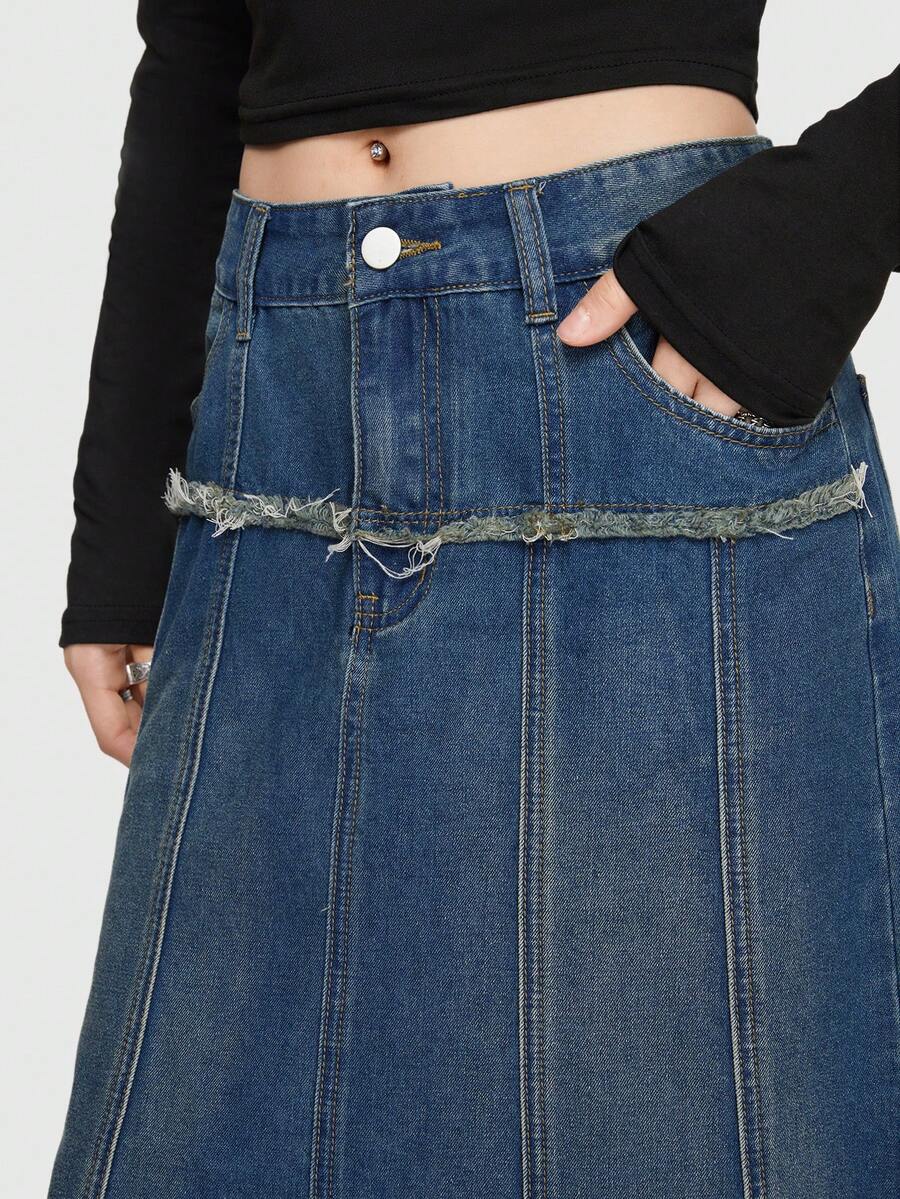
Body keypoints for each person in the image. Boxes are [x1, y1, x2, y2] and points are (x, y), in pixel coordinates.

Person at [52, 1, 899, 1195]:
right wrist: (127, 503)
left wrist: (839, 209)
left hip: (625, 362)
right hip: (276, 413)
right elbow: (198, 39)